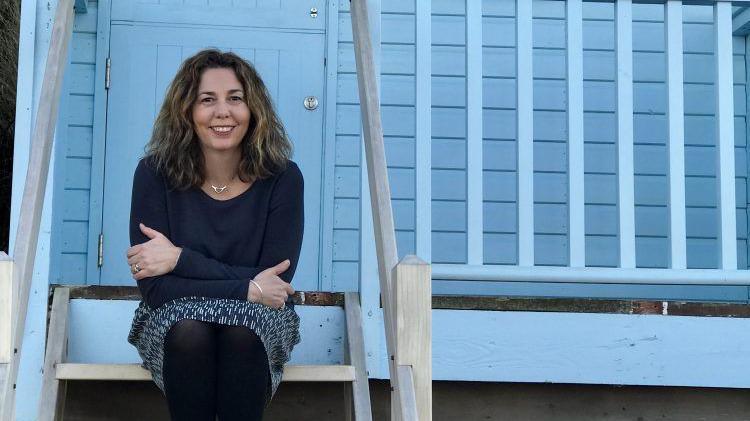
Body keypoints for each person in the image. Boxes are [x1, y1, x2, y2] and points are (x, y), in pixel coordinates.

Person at [125, 49, 304, 421]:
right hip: (174, 318)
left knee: (242, 333)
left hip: (259, 317)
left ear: (253, 109)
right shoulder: (153, 175)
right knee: (190, 331)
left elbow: (275, 284)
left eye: (235, 99)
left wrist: (180, 260)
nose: (223, 112)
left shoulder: (283, 178)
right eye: (208, 100)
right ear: (187, 111)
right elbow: (157, 290)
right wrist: (246, 286)